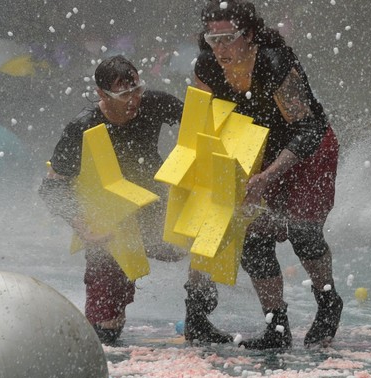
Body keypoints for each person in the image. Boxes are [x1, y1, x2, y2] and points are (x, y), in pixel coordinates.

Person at [39, 55, 231, 345]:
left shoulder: (153, 103)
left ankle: (198, 317)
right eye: (124, 94)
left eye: (137, 89)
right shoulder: (83, 128)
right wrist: (81, 224)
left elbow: (200, 125)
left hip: (154, 205)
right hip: (112, 222)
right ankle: (101, 327)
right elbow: (51, 188)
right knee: (106, 331)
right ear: (102, 94)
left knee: (206, 233)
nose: (134, 100)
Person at [194, 0, 343, 349]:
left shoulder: (275, 62)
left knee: (302, 232)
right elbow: (207, 123)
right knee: (253, 239)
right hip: (254, 150)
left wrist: (269, 175)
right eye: (212, 39)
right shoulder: (207, 66)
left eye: (227, 38)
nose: (219, 48)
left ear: (248, 34)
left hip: (307, 150)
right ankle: (276, 327)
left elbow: (307, 127)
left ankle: (328, 301)